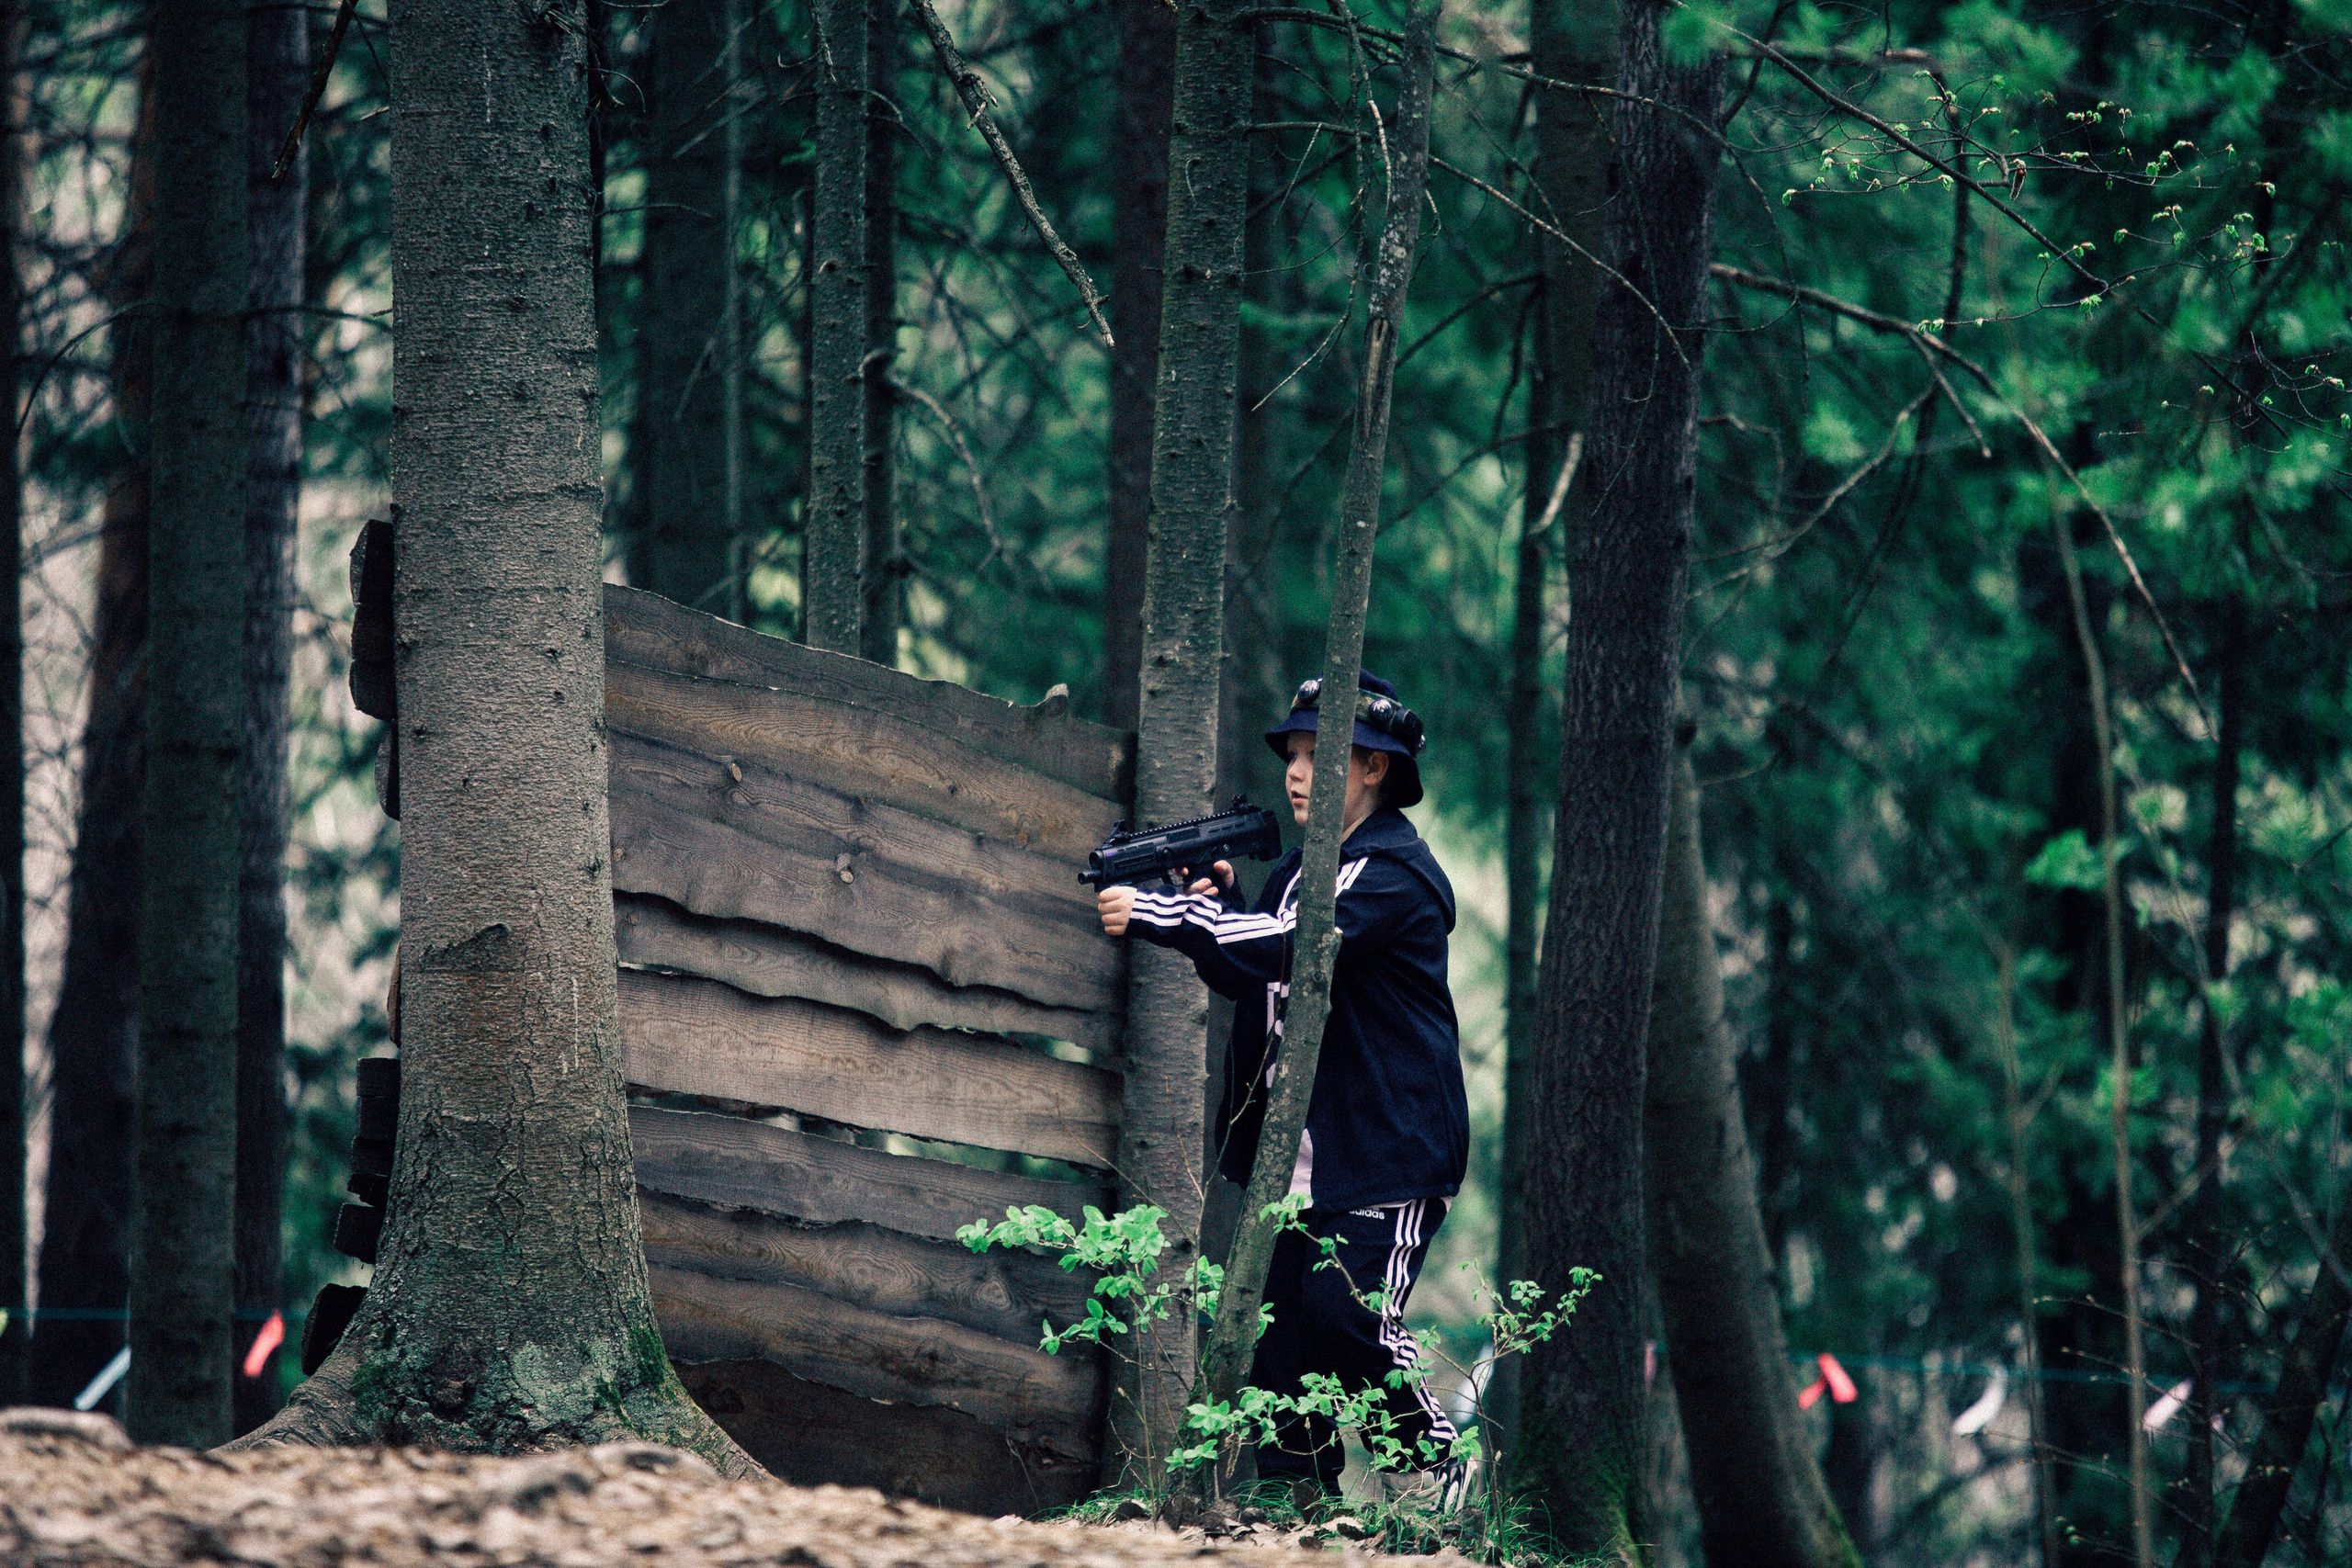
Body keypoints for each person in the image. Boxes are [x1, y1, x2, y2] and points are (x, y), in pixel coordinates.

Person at [1095, 671, 1469, 1505]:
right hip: (1303, 1155)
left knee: (1348, 1313)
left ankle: (1436, 1469)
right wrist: (1215, 906)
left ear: (1373, 767)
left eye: (1318, 753)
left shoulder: (1395, 876)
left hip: (1390, 1149)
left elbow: (1295, 947)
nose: (1296, 771)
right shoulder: (1303, 869)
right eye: (1293, 754)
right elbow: (1252, 966)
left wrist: (1164, 913)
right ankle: (1300, 1506)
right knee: (1280, 1338)